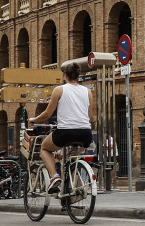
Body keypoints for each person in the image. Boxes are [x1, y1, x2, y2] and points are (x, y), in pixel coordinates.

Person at [27, 62, 96, 194]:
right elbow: (90, 117)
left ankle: (54, 177)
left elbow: (47, 113)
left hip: (66, 132)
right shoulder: (88, 92)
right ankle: (69, 187)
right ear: (78, 76)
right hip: (86, 134)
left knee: (44, 148)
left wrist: (34, 120)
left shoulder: (59, 90)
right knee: (71, 158)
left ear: (65, 75)